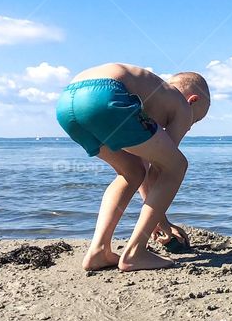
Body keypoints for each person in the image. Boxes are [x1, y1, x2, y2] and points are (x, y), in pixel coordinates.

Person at [56, 63, 210, 272]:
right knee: (177, 165)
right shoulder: (181, 105)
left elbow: (146, 172)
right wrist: (163, 223)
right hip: (106, 94)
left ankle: (99, 250)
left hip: (67, 102)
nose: (190, 126)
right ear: (193, 100)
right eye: (196, 120)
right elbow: (161, 170)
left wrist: (161, 221)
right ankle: (135, 252)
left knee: (131, 171)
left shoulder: (151, 94)